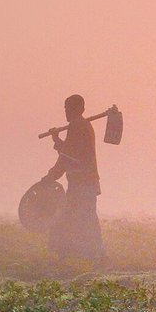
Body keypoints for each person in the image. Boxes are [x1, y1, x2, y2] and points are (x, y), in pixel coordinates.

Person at [43, 94, 104, 261]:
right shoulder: (80, 126)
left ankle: (91, 256)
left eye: (68, 108)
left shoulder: (78, 127)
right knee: (79, 219)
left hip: (83, 183)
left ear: (78, 109)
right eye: (65, 108)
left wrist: (50, 176)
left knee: (76, 219)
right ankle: (81, 256)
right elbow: (69, 152)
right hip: (82, 183)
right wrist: (57, 139)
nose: (66, 111)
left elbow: (67, 157)